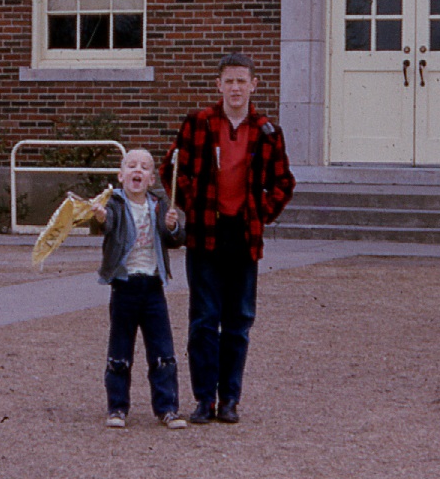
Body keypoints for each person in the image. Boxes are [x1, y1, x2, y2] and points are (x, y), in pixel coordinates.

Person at [169, 52, 295, 425]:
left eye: (242, 81)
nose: (235, 88)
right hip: (205, 234)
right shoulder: (198, 123)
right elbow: (172, 169)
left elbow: (284, 182)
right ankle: (204, 400)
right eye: (229, 81)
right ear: (218, 85)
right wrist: (194, 204)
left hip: (244, 235)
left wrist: (260, 212)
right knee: (204, 320)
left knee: (238, 322)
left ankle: (229, 400)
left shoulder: (268, 131)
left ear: (254, 85)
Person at [91, 148, 189, 430]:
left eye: (144, 168)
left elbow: (175, 239)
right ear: (121, 175)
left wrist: (172, 227)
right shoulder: (114, 204)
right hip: (125, 285)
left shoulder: (158, 204)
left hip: (153, 285)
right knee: (120, 349)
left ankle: (167, 408)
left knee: (162, 349)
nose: (138, 170)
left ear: (151, 179)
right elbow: (107, 224)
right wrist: (100, 216)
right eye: (132, 166)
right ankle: (117, 407)